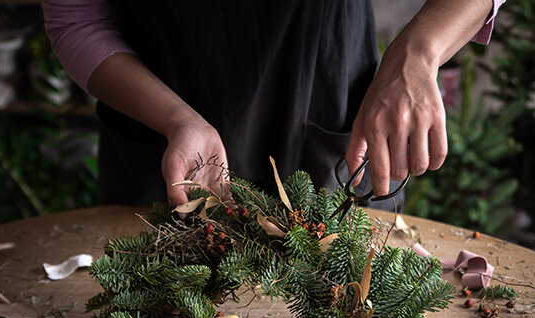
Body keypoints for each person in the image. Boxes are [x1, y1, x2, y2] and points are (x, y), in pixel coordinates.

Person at [42, 0, 504, 209]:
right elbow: (77, 19)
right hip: (162, 142)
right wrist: (176, 120)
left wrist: (417, 54)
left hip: (326, 121)